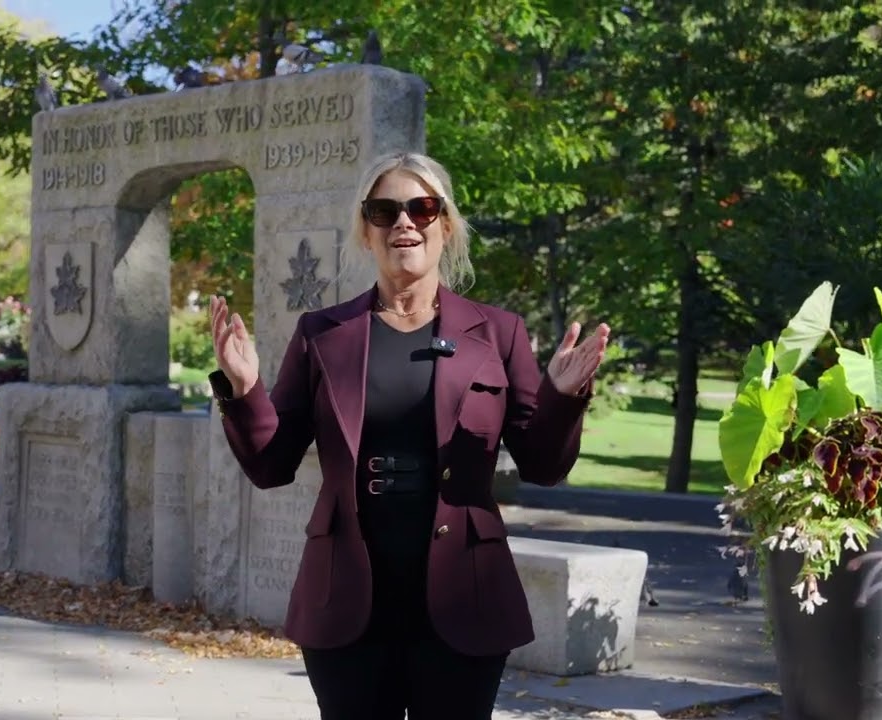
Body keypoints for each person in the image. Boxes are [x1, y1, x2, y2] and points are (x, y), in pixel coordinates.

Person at [207, 151, 610, 720]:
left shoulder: (499, 333)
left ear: (446, 226)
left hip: (464, 598)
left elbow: (544, 465)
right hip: (347, 603)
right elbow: (271, 466)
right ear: (366, 230)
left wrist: (562, 398)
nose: (404, 222)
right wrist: (245, 389)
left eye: (422, 208)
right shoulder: (322, 334)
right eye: (384, 210)